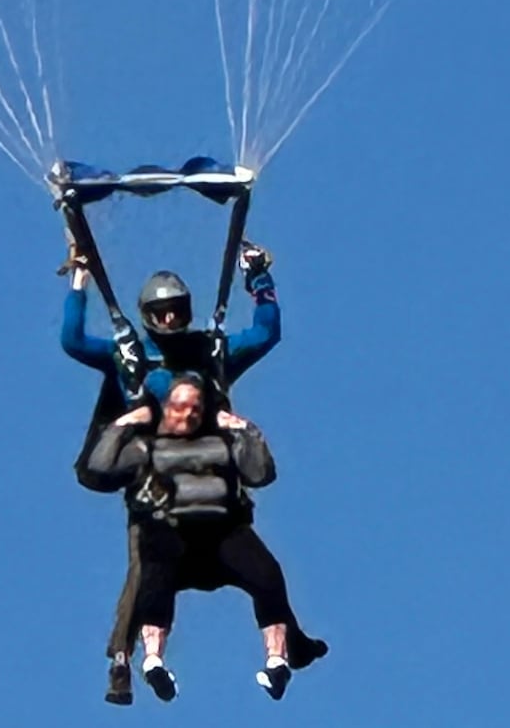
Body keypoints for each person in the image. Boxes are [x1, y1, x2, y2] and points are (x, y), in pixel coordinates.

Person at [83, 374, 326, 703]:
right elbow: (99, 468)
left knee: (267, 574)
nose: (188, 415)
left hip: (222, 533)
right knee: (153, 569)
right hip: (174, 534)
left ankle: (276, 660)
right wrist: (125, 423)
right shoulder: (148, 445)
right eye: (180, 407)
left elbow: (261, 474)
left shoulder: (222, 443)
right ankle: (152, 659)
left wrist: (244, 430)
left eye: (195, 409)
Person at [61, 244, 281, 406]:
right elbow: (73, 342)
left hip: (206, 449)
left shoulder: (210, 350)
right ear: (149, 316)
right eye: (161, 313)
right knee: (157, 380)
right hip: (147, 450)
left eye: (177, 310)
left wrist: (258, 278)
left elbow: (265, 333)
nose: (170, 319)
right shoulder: (129, 355)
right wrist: (79, 283)